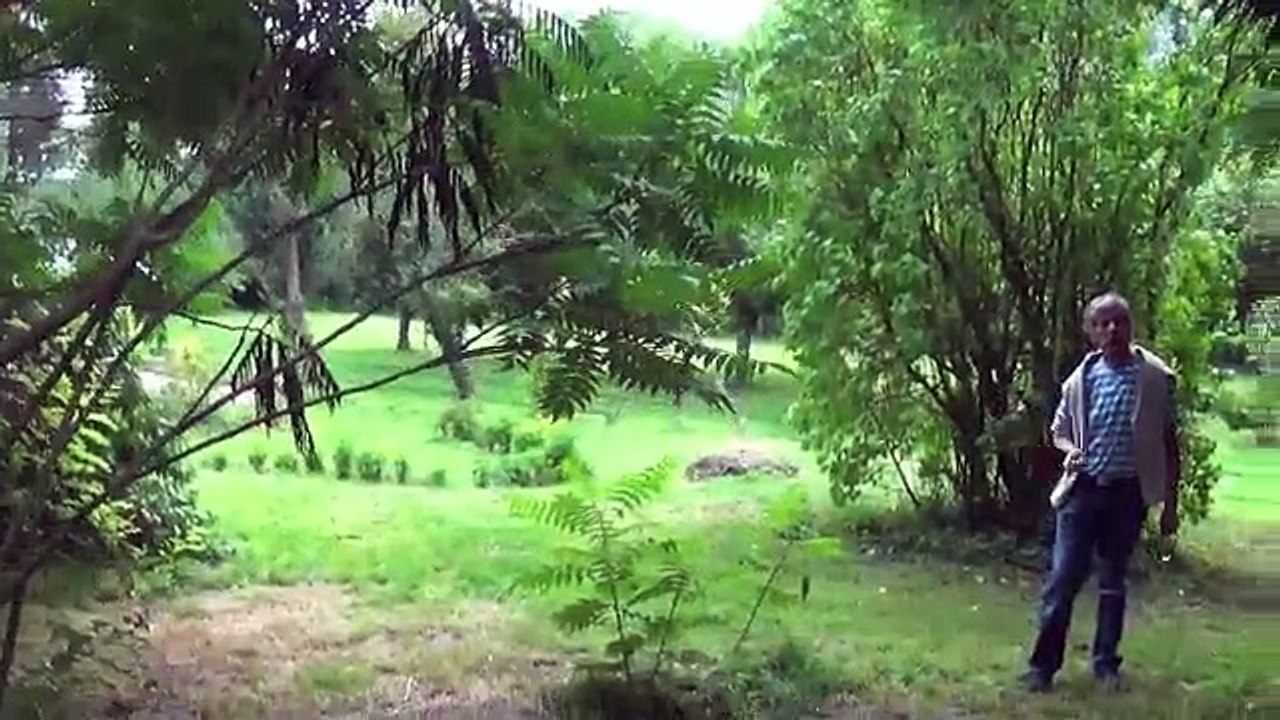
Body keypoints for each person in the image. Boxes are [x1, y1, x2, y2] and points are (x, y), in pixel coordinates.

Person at [1020, 292, 1181, 693]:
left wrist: (1169, 505)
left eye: (1119, 321)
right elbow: (1059, 431)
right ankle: (1042, 668)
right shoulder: (1081, 380)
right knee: (1062, 580)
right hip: (1083, 492)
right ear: (1090, 331)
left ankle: (1106, 665)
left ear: (1131, 326)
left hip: (1127, 495)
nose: (1112, 329)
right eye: (1102, 323)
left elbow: (1169, 444)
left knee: (1113, 582)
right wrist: (1069, 449)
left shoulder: (1154, 378)